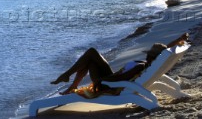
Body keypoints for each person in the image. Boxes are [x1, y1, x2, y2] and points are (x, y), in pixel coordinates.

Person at [51, 33, 190, 95]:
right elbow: (165, 51)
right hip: (111, 78)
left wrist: (100, 81)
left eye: (149, 53)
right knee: (91, 55)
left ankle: (67, 76)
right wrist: (179, 40)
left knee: (91, 55)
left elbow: (119, 79)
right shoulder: (149, 65)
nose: (147, 54)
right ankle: (70, 81)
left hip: (109, 84)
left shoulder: (141, 66)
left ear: (151, 56)